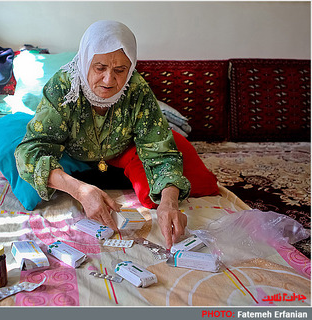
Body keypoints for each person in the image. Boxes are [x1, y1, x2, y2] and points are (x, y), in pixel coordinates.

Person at [14, 20, 191, 249]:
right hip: (72, 166)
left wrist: (169, 203)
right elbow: (29, 153)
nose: (109, 80)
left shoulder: (136, 90)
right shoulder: (63, 87)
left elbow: (162, 152)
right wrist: (80, 190)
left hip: (119, 163)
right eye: (100, 68)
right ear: (86, 60)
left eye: (120, 70)